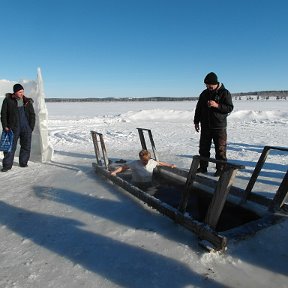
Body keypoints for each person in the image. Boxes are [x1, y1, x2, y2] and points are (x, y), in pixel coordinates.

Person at [194, 72, 233, 177]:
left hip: (219, 126)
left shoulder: (225, 93)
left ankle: (220, 169)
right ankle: (203, 167)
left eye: (209, 85)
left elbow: (229, 108)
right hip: (206, 126)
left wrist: (217, 105)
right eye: (206, 85)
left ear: (215, 83)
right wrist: (196, 121)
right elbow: (199, 109)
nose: (208, 87)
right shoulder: (204, 93)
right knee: (203, 148)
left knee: (220, 149)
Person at [1, 84, 35, 172]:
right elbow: (3, 114)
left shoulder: (27, 101)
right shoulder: (8, 100)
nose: (22, 93)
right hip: (13, 127)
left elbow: (32, 114)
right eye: (20, 92)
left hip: (26, 127)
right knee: (10, 147)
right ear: (15, 92)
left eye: (22, 91)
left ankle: (23, 162)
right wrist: (5, 126)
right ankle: (7, 165)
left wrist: (31, 127)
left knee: (26, 146)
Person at [110, 149, 176, 188]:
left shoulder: (152, 162)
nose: (145, 162)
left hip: (148, 183)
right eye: (143, 160)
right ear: (140, 158)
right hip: (136, 183)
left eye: (147, 160)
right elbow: (123, 167)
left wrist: (170, 165)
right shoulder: (135, 163)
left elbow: (160, 163)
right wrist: (115, 172)